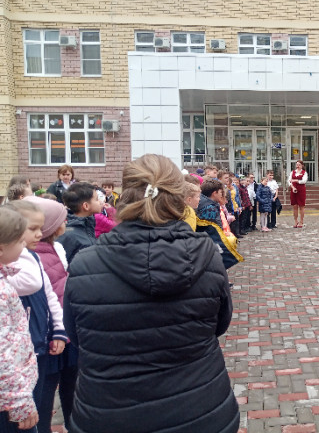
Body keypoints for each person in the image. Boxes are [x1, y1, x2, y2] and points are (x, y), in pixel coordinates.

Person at [63, 154, 240, 433]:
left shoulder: (84, 265)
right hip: (200, 408)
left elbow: (75, 334)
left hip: (110, 412)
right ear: (178, 197)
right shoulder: (208, 257)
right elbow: (220, 323)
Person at [5, 200, 68, 433]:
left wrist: (59, 328)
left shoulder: (32, 258)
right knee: (19, 418)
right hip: (16, 362)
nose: (39, 234)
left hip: (39, 347)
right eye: (31, 229)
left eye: (41, 228)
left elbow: (48, 293)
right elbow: (32, 283)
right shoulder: (12, 267)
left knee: (40, 405)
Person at [24, 196, 76, 433]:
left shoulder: (54, 248)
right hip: (45, 338)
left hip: (57, 332)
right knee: (44, 393)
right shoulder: (35, 257)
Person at [0, 207, 39, 433]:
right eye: (19, 242)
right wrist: (20, 402)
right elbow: (3, 352)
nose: (24, 246)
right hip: (9, 403)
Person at [56, 183, 100, 265]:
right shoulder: (69, 234)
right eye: (96, 199)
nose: (100, 202)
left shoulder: (88, 225)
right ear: (86, 206)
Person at [288, 160, 308, 228]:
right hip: (293, 190)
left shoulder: (304, 173)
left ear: (302, 165)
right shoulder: (292, 172)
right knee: (294, 206)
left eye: (299, 164)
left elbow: (304, 181)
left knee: (301, 206)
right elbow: (289, 181)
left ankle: (301, 221)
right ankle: (296, 221)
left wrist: (296, 180)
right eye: (297, 164)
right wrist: (292, 187)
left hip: (301, 190)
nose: (298, 166)